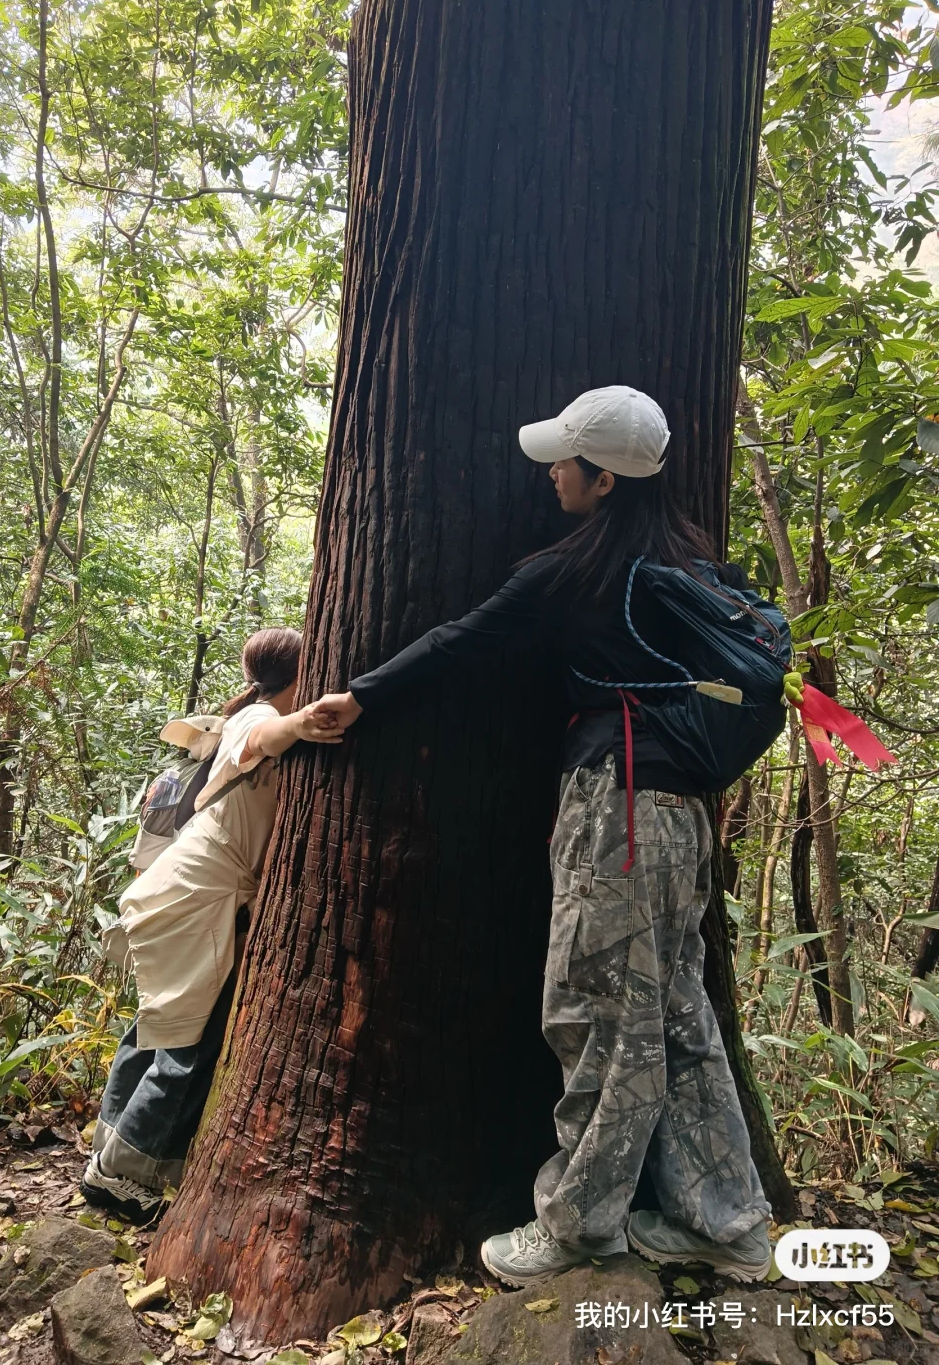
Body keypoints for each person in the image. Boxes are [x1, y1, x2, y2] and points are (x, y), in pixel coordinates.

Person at [308, 386, 774, 1286]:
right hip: (679, 817)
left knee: (599, 1008)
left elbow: (461, 641)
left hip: (619, 816)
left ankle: (578, 1222)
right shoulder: (697, 564)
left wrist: (363, 693)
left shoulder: (573, 572)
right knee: (676, 1008)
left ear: (603, 480)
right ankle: (726, 1222)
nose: (551, 470)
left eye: (564, 459)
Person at [82, 627, 343, 1224]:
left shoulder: (243, 717)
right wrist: (303, 724)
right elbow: (268, 736)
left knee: (160, 1022)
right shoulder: (252, 719)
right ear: (298, 676)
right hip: (198, 893)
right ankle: (125, 1174)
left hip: (190, 888)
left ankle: (110, 1144)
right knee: (189, 1038)